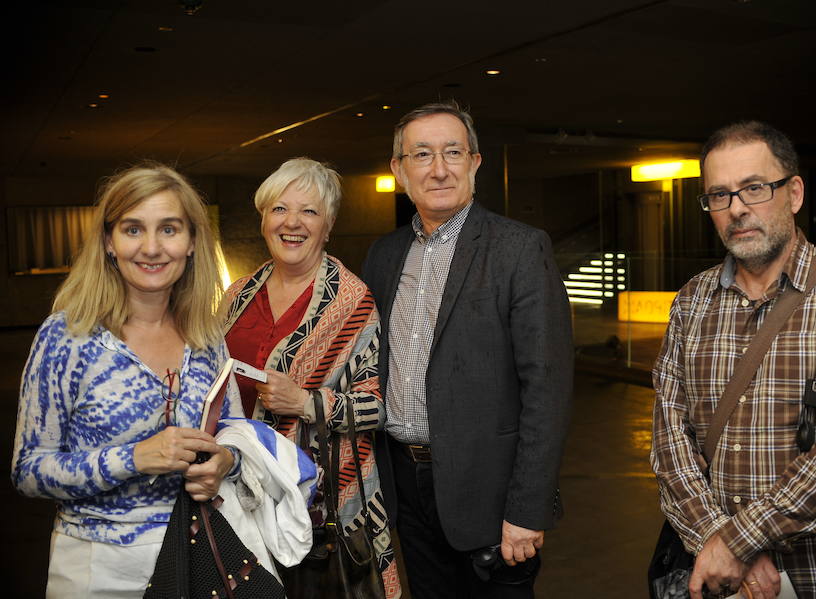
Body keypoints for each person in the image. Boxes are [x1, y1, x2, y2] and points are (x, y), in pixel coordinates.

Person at [650, 121, 816, 599]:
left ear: (795, 193)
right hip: (716, 579)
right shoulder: (691, 300)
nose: (737, 208)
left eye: (754, 188)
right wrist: (715, 541)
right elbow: (669, 440)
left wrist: (738, 542)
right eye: (718, 195)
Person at [361, 101, 573, 598]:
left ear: (475, 163)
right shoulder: (383, 255)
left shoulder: (519, 248)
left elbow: (548, 388)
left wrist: (527, 509)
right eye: (422, 155)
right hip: (404, 488)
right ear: (399, 170)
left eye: (453, 152)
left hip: (491, 496)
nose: (439, 169)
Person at [12, 163, 240, 598]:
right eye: (133, 230)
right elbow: (28, 470)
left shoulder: (207, 336)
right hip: (99, 567)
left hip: (200, 557)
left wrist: (225, 463)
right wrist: (133, 457)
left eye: (169, 229)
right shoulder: (68, 336)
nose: (152, 248)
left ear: (192, 242)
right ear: (108, 242)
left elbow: (234, 436)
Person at [222, 157, 399, 597]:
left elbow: (379, 407)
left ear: (329, 224)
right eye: (279, 208)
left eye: (309, 211)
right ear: (263, 218)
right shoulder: (237, 295)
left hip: (319, 506)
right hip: (235, 492)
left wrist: (305, 402)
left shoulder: (353, 304)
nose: (292, 222)